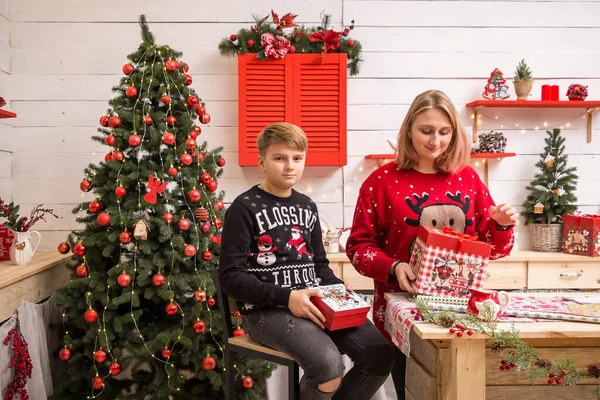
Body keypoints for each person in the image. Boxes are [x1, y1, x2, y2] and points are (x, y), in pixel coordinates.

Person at [345, 90, 519, 398]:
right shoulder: (381, 181)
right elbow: (358, 247)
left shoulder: (468, 179)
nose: (435, 140)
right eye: (426, 131)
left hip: (462, 315)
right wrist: (393, 266)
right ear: (409, 129)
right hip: (402, 314)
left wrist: (501, 225)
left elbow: (494, 249)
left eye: (444, 132)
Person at [219, 122, 394, 400]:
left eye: (297, 158)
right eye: (280, 158)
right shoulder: (244, 208)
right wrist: (287, 298)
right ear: (261, 162)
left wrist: (338, 290)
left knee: (380, 354)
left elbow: (320, 268)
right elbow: (230, 278)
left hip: (316, 303)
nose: (290, 166)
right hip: (267, 311)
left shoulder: (307, 206)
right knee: (328, 366)